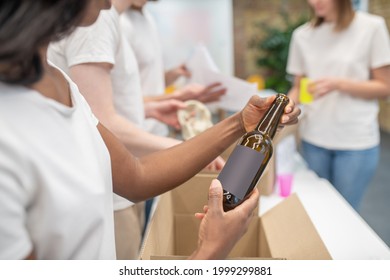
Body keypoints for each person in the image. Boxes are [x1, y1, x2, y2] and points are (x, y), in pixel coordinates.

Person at [0, 0, 300, 260]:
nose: (108, 5)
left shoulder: (59, 81)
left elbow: (136, 176)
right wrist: (212, 249)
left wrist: (239, 123)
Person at [47, 0, 225, 260]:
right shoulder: (95, 21)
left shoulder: (112, 19)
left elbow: (93, 107)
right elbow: (102, 122)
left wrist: (151, 108)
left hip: (120, 180)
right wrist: (192, 151)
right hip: (111, 188)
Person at [286, 0, 390, 211]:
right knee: (318, 211)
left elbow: (385, 87)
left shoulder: (372, 27)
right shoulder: (302, 35)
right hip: (313, 137)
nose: (314, 2)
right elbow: (300, 87)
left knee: (345, 213)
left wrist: (339, 84)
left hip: (355, 141)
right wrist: (283, 105)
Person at [120, 0, 227, 138]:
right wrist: (177, 97)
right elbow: (120, 101)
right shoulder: (119, 22)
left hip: (158, 129)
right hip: (134, 133)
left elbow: (142, 81)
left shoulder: (147, 17)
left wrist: (171, 75)